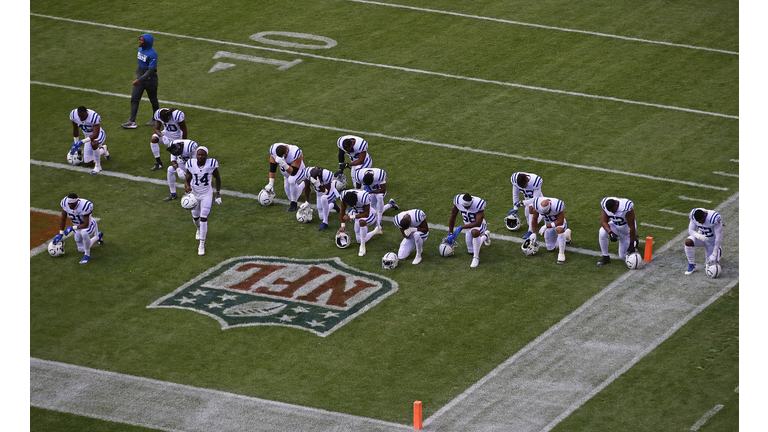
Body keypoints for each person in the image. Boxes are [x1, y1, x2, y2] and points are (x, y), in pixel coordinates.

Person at [184, 147, 222, 256]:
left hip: (206, 194)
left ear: (206, 156)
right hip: (195, 193)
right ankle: (198, 229)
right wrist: (187, 186)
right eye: (198, 155)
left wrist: (218, 193)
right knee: (195, 217)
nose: (200, 157)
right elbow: (188, 177)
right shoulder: (191, 163)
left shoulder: (212, 164)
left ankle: (202, 244)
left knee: (203, 218)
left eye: (202, 155)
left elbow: (217, 178)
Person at [121, 34, 160, 129]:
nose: (139, 41)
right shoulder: (140, 49)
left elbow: (151, 70)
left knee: (153, 99)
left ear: (147, 42)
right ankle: (131, 121)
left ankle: (157, 119)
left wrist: (140, 79)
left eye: (142, 40)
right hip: (140, 80)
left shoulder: (152, 54)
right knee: (134, 99)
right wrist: (139, 77)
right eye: (140, 39)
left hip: (150, 81)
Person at [52, 193, 104, 264]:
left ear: (77, 202)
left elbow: (86, 224)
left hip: (89, 225)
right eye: (69, 203)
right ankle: (98, 236)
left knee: (84, 233)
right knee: (81, 249)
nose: (70, 206)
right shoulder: (65, 203)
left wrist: (72, 227)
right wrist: (61, 233)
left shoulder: (85, 205)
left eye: (72, 204)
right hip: (78, 226)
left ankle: (87, 255)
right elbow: (63, 218)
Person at [446, 193, 491, 268]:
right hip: (468, 227)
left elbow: (478, 223)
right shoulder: (458, 201)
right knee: (471, 251)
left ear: (471, 203)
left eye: (468, 206)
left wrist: (461, 227)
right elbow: (453, 216)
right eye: (464, 206)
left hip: (479, 226)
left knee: (475, 232)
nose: (466, 208)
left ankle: (476, 258)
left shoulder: (478, 204)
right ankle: (485, 236)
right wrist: (450, 232)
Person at [524, 197, 570, 264]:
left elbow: (560, 221)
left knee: (559, 230)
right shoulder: (537, 205)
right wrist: (533, 232)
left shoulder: (557, 206)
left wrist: (546, 226)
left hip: (559, 224)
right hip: (548, 226)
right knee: (551, 249)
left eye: (546, 212)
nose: (545, 214)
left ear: (550, 207)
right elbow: (535, 218)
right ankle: (566, 235)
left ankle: (561, 254)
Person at [339, 189, 382, 257]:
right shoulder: (344, 194)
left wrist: (351, 217)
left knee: (361, 222)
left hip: (370, 215)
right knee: (359, 239)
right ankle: (376, 231)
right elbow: (342, 210)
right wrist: (343, 225)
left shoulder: (364, 197)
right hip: (357, 216)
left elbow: (366, 214)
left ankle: (362, 247)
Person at [597, 197, 638, 267]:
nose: (613, 213)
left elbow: (632, 227)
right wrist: (610, 232)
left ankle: (635, 241)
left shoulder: (626, 207)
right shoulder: (605, 204)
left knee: (623, 256)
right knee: (602, 232)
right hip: (615, 226)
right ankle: (605, 257)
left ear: (616, 204)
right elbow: (604, 221)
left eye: (613, 210)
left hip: (626, 230)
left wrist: (631, 245)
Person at [265, 143, 306, 212]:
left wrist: (284, 164)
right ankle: (306, 183)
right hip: (286, 175)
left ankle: (294, 204)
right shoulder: (273, 150)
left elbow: (293, 172)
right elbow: (272, 168)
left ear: (286, 152)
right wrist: (271, 183)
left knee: (291, 180)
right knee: (291, 196)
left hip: (300, 172)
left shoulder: (295, 152)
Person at [69, 106, 109, 175]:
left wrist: (82, 142)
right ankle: (103, 149)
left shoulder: (94, 116)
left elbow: (95, 135)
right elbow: (75, 129)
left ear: (86, 113)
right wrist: (76, 145)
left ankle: (98, 166)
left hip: (99, 134)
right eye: (79, 116)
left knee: (94, 144)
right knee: (88, 163)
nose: (80, 118)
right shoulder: (73, 115)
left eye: (82, 116)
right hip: (87, 137)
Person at [684, 208, 723, 275]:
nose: (700, 223)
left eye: (701, 221)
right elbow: (691, 231)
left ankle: (718, 250)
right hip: (702, 238)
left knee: (709, 266)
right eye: (698, 221)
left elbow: (718, 237)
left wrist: (714, 253)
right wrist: (700, 236)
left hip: (712, 241)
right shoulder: (693, 215)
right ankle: (692, 265)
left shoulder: (714, 218)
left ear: (705, 215)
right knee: (688, 242)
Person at [302, 166, 340, 231]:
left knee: (323, 198)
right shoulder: (308, 172)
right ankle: (333, 205)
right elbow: (307, 187)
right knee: (321, 216)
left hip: (331, 192)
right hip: (319, 194)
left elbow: (326, 192)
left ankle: (325, 223)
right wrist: (307, 201)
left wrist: (318, 185)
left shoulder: (327, 175)